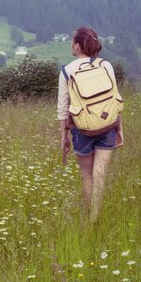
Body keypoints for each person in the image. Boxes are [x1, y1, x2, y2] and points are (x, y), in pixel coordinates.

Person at [57, 27, 124, 222]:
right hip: (107, 125)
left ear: (77, 46)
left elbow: (63, 107)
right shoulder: (106, 65)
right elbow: (116, 99)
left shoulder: (67, 71)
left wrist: (64, 137)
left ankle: (90, 218)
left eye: (72, 42)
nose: (71, 44)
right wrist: (119, 128)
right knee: (100, 175)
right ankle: (96, 217)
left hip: (82, 129)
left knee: (87, 176)